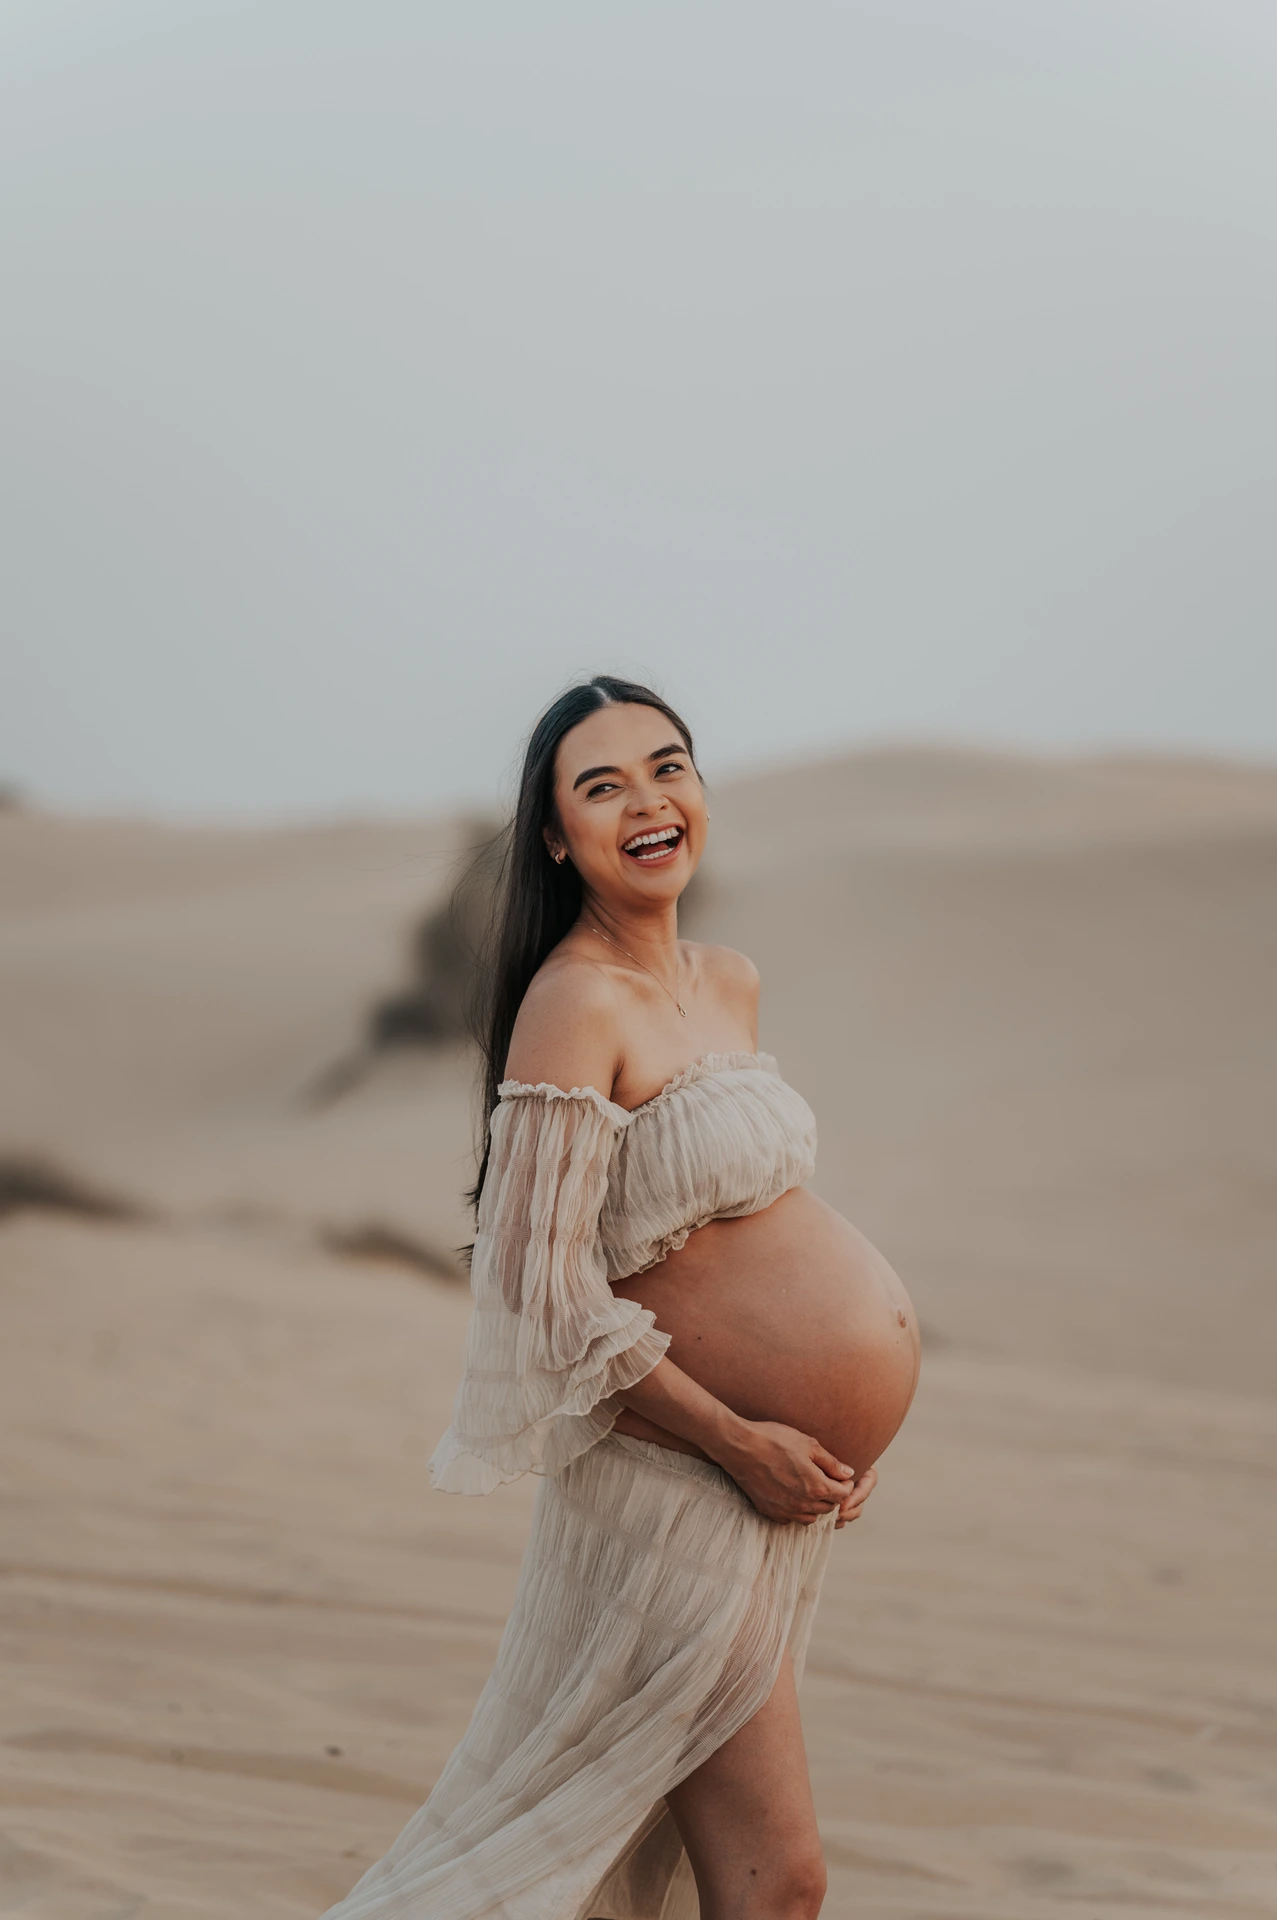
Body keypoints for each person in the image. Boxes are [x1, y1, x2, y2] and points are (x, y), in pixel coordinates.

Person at [322, 677, 920, 1920]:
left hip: (759, 1500)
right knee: (770, 1880)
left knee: (650, 1869)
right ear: (555, 834)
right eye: (600, 786)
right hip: (671, 1491)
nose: (647, 802)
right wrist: (738, 1436)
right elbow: (532, 1288)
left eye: (668, 767)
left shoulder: (728, 980)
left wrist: (822, 1434)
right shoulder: (575, 1000)